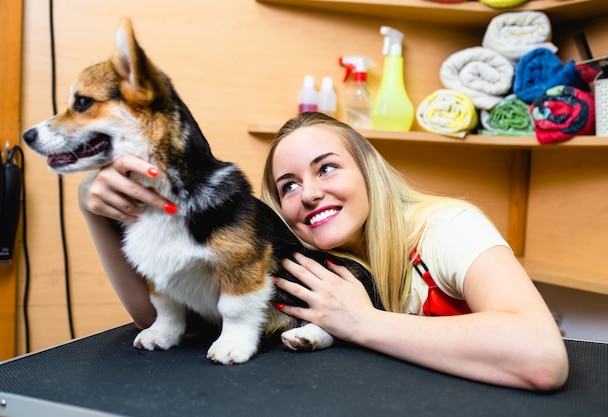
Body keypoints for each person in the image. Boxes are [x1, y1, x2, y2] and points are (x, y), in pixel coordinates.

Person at [78, 112, 568, 391]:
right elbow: (159, 320)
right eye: (288, 185)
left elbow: (541, 359)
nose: (308, 193)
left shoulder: (445, 228)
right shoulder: (299, 270)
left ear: (369, 169)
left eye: (327, 168)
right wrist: (98, 213)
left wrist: (363, 321)